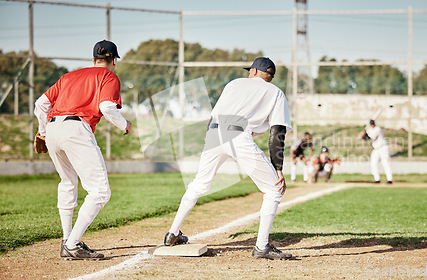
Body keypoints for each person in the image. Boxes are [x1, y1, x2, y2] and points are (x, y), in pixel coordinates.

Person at [163, 57, 293, 260]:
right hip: (240, 135)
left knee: (199, 183)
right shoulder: (276, 92)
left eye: (250, 70)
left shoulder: (234, 84)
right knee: (274, 188)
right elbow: (277, 133)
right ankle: (261, 246)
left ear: (254, 72)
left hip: (215, 133)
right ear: (270, 76)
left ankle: (172, 233)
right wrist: (278, 168)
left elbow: (213, 117)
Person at [34, 40, 132, 259]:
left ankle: (67, 239)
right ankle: (72, 244)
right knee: (100, 191)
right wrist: (124, 124)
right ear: (113, 60)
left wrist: (42, 131)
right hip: (76, 128)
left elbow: (41, 104)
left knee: (68, 182)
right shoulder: (109, 76)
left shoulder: (69, 76)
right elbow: (106, 107)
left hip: (53, 128)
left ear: (93, 59)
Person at [362, 120, 393, 184]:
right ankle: (377, 179)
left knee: (385, 164)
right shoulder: (370, 130)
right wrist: (363, 136)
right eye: (371, 124)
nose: (372, 125)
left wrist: (364, 135)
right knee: (373, 163)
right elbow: (366, 137)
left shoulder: (377, 129)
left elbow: (371, 137)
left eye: (372, 124)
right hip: (376, 149)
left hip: (383, 148)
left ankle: (389, 179)